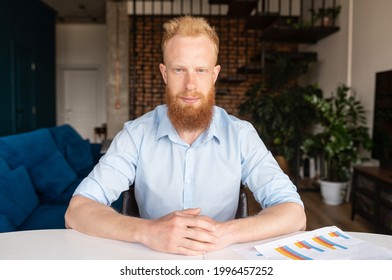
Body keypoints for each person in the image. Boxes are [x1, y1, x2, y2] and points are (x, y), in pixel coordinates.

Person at [65, 15, 306, 256]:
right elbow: (78, 210)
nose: (190, 84)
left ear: (214, 75)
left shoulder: (241, 135)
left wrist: (225, 233)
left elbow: (294, 214)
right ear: (165, 73)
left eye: (201, 70)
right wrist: (147, 231)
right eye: (179, 69)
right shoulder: (135, 135)